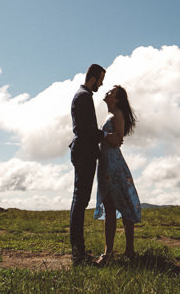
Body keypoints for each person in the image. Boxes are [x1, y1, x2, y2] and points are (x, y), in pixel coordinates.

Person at [93, 84, 142, 265]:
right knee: (109, 208)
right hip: (105, 164)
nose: (107, 92)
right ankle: (109, 252)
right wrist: (104, 135)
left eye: (111, 92)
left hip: (114, 165)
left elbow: (118, 139)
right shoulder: (109, 114)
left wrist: (102, 134)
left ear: (117, 99)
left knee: (123, 204)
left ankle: (129, 251)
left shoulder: (117, 114)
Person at [68, 63, 108, 264]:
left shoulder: (83, 95)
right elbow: (86, 130)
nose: (101, 84)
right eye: (100, 80)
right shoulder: (83, 97)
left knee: (80, 200)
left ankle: (79, 250)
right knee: (80, 200)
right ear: (93, 79)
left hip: (83, 152)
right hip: (84, 152)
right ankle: (78, 252)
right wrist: (105, 135)